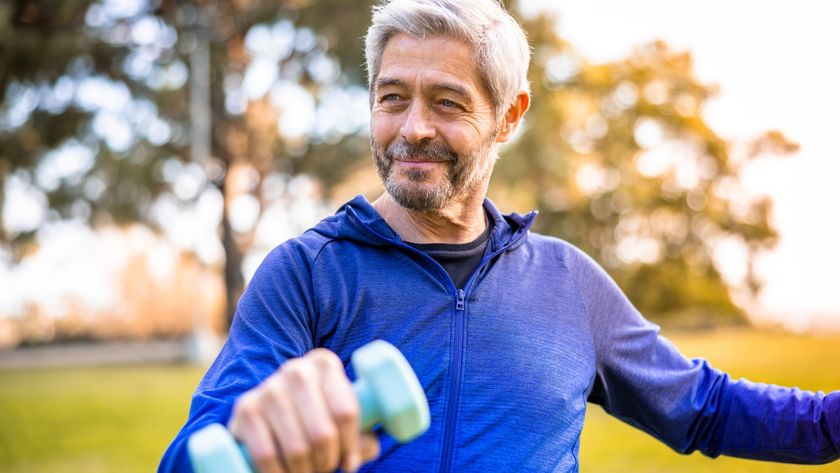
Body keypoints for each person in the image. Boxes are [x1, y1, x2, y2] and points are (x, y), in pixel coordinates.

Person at [160, 0, 840, 471]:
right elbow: (190, 458)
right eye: (392, 97)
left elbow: (707, 409)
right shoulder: (306, 274)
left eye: (447, 102)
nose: (412, 128)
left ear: (508, 116)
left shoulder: (568, 283)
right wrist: (248, 435)